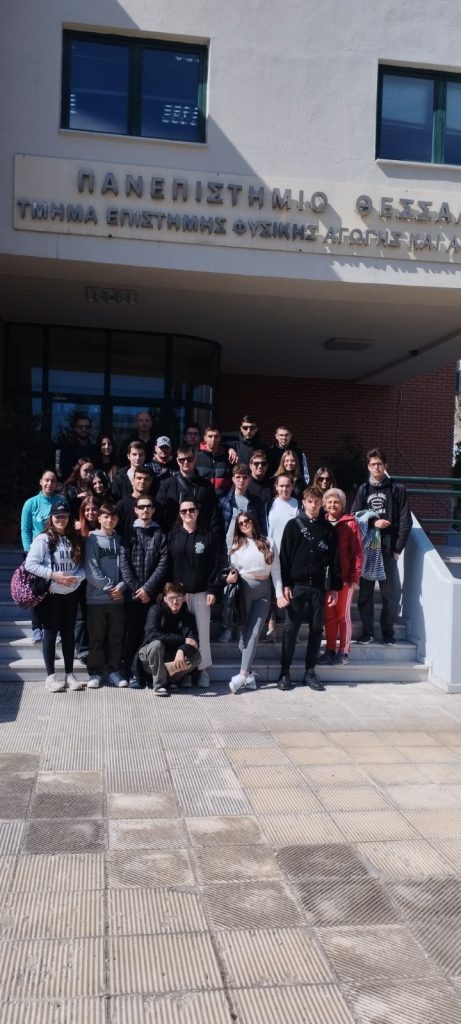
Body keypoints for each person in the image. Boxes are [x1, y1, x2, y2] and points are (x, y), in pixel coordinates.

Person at [278, 485, 341, 692]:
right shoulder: (292, 526)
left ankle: (309, 672)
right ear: (303, 502)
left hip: (318, 588)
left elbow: (335, 561)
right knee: (290, 630)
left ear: (321, 504)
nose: (313, 505)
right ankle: (284, 672)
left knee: (316, 629)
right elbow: (284, 558)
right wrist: (285, 584)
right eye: (310, 502)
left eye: (317, 502)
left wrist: (334, 587)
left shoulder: (328, 529)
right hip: (296, 587)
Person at [351, 447, 411, 644]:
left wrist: (398, 548)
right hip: (368, 549)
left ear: (386, 466)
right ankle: (367, 633)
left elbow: (405, 521)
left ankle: (388, 634)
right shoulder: (363, 490)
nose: (376, 467)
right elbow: (354, 517)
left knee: (389, 595)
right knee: (365, 594)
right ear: (368, 467)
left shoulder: (397, 489)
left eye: (379, 464)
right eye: (372, 464)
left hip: (387, 548)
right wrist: (373, 522)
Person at [25, 500, 85, 692]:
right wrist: (53, 576)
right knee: (50, 633)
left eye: (64, 516)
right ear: (51, 518)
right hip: (52, 594)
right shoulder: (43, 539)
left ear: (69, 518)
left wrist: (77, 579)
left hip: (71, 593)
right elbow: (30, 564)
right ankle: (50, 676)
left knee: (68, 634)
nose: (61, 519)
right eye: (57, 516)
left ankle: (69, 674)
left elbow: (83, 566)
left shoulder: (74, 538)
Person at [226, 512, 287, 693]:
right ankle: (250, 676)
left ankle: (242, 675)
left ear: (253, 521)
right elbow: (232, 571)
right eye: (241, 523)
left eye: (247, 521)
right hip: (243, 590)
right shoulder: (236, 546)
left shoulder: (269, 542)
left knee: (253, 633)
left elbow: (276, 570)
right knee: (242, 638)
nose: (244, 524)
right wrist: (229, 578)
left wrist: (279, 594)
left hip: (264, 591)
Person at [167, 498, 221, 688]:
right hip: (178, 596)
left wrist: (213, 589)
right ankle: (185, 673)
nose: (188, 514)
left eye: (191, 510)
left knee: (202, 634)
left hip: (201, 593)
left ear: (197, 512)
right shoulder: (172, 536)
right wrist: (166, 592)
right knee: (181, 635)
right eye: (183, 511)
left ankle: (203, 670)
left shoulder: (207, 536)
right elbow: (167, 565)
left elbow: (214, 566)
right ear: (179, 514)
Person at [120, 496, 167, 689]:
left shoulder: (160, 534)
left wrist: (148, 589)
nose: (145, 510)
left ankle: (148, 674)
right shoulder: (128, 534)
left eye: (149, 506)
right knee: (132, 635)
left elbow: (163, 564)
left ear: (153, 509)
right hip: (133, 595)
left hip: (152, 595)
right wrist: (136, 588)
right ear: (136, 510)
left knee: (150, 635)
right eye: (141, 507)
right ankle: (132, 673)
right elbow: (124, 563)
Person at [85, 503, 127, 688]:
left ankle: (114, 671)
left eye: (113, 517)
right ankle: (95, 673)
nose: (110, 520)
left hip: (118, 598)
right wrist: (110, 588)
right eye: (106, 516)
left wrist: (122, 587)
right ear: (99, 518)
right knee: (96, 638)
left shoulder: (121, 540)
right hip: (96, 599)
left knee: (116, 638)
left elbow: (126, 568)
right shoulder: (92, 539)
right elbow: (91, 570)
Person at [319, 488, 363, 665]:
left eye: (336, 502)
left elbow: (358, 553)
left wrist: (355, 577)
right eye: (329, 501)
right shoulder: (321, 522)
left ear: (342, 504)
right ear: (324, 504)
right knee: (329, 616)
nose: (332, 505)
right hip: (325, 580)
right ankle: (330, 650)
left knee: (342, 616)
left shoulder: (351, 524)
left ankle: (344, 651)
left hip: (345, 578)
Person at [138, 582, 201, 696]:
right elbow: (152, 635)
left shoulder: (188, 617)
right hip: (151, 658)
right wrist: (182, 640)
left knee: (197, 657)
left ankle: (171, 680)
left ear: (183, 599)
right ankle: (159, 685)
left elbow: (194, 641)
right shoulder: (156, 610)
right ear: (165, 599)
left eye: (178, 598)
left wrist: (182, 650)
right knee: (156, 645)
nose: (175, 602)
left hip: (173, 659)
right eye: (171, 598)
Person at [21, 469, 61, 643]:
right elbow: (25, 529)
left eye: (53, 481)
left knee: (54, 592)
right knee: (37, 591)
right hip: (35, 553)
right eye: (46, 480)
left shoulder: (60, 501)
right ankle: (36, 627)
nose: (49, 484)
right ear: (41, 481)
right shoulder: (31, 503)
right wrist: (28, 551)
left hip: (56, 552)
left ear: (57, 484)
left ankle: (53, 627)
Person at [155, 447, 222, 536]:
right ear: (177, 461)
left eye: (189, 459)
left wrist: (213, 536)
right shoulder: (167, 485)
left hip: (201, 535)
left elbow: (214, 513)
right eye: (182, 460)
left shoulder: (206, 485)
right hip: (174, 536)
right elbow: (159, 512)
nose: (186, 462)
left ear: (195, 459)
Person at [265, 474, 300, 641]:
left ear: (292, 487)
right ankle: (271, 628)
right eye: (281, 486)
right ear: (276, 487)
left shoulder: (298, 504)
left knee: (290, 592)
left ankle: (292, 631)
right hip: (272, 552)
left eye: (288, 486)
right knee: (273, 591)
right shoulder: (270, 504)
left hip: (292, 555)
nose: (284, 489)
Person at [74, 496, 102, 664]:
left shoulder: (105, 527)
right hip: (81, 578)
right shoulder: (77, 529)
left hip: (99, 577)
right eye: (87, 509)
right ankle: (82, 649)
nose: (91, 512)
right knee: (81, 615)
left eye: (94, 509)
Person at [114, 466, 155, 543]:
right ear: (133, 480)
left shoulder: (154, 504)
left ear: (151, 481)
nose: (142, 481)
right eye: (139, 478)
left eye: (146, 479)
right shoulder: (122, 505)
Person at [57, 413, 97, 481]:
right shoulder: (67, 449)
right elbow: (60, 470)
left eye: (87, 427)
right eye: (80, 427)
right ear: (75, 429)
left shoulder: (95, 450)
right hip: (71, 485)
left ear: (90, 429)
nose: (84, 429)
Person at [195, 425, 233, 498]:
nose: (213, 439)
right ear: (205, 438)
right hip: (202, 499)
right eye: (210, 436)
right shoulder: (197, 457)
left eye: (216, 436)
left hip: (223, 499)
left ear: (220, 438)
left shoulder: (228, 457)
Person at [246, 450, 273, 521]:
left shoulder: (272, 485)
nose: (260, 466)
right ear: (250, 465)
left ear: (267, 466)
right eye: (256, 463)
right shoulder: (244, 483)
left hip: (267, 523)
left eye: (263, 463)